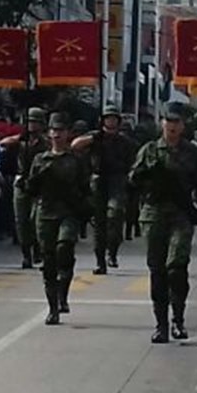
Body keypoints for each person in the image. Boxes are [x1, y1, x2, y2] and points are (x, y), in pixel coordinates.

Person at [128, 102, 197, 343]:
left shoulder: (192, 153)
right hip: (153, 213)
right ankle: (161, 324)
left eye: (176, 122)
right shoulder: (149, 150)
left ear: (183, 126)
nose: (172, 126)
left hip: (181, 214)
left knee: (176, 266)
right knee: (157, 270)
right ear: (162, 123)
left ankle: (178, 320)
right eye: (168, 121)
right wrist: (144, 175)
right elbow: (133, 179)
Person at [28, 121, 94, 325]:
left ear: (67, 134)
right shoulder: (40, 159)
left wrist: (85, 208)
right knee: (48, 260)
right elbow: (30, 188)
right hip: (46, 212)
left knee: (64, 248)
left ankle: (62, 294)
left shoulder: (76, 160)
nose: (57, 135)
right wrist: (39, 177)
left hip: (68, 212)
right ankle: (53, 308)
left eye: (60, 131)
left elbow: (85, 187)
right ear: (49, 134)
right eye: (53, 131)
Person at [82, 107, 138, 275]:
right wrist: (94, 137)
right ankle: (100, 261)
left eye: (114, 118)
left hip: (117, 180)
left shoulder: (125, 141)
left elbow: (133, 162)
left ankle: (112, 253)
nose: (111, 121)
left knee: (115, 215)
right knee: (99, 224)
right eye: (108, 118)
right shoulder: (95, 137)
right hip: (99, 181)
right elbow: (75, 145)